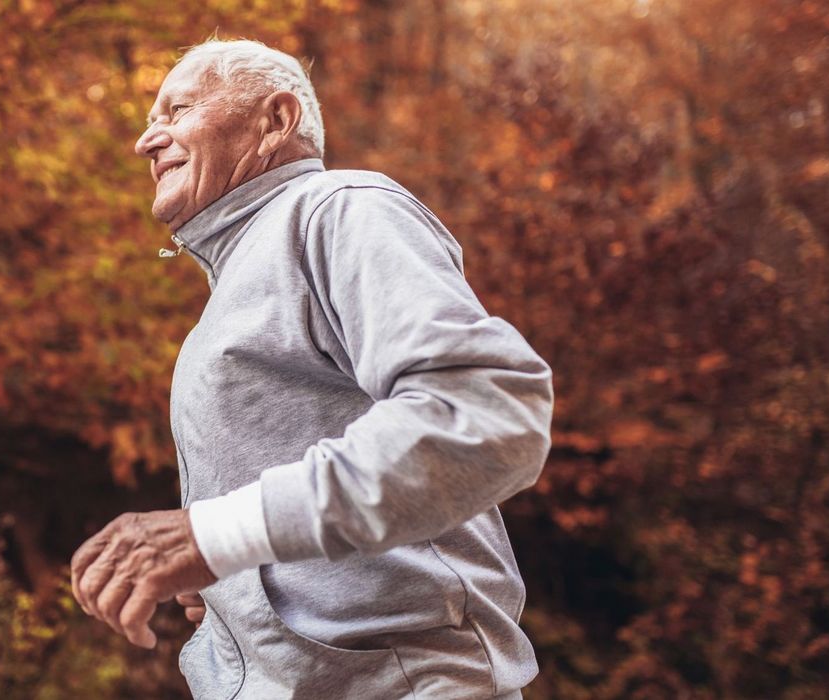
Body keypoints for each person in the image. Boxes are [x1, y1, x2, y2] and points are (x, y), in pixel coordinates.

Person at [70, 38, 554, 699]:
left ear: (276, 120)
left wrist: (213, 536)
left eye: (177, 110)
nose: (146, 141)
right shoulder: (240, 275)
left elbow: (484, 414)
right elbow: (299, 515)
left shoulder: (340, 209)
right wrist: (237, 582)